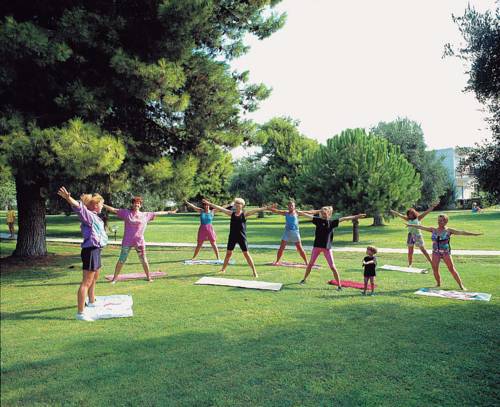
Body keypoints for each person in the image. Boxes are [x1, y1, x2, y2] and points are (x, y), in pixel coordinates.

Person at [57, 186, 108, 321]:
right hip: (90, 251)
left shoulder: (96, 217)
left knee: (95, 277)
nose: (102, 207)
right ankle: (80, 313)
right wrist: (68, 198)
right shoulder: (88, 215)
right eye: (101, 204)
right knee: (86, 282)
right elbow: (79, 207)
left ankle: (91, 301)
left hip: (96, 250)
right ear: (95, 205)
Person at [104, 197, 177, 283]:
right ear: (132, 204)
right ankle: (114, 278)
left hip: (139, 242)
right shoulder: (126, 213)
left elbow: (158, 212)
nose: (136, 204)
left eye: (138, 203)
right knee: (121, 260)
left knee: (144, 260)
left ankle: (149, 277)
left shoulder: (145, 215)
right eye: (135, 203)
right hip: (127, 241)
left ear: (140, 205)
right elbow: (114, 209)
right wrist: (102, 204)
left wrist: (169, 212)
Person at [407, 214, 482, 290]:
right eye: (439, 220)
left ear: (446, 221)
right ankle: (438, 283)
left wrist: (474, 234)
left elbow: (461, 232)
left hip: (446, 252)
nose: (439, 222)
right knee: (435, 268)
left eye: (442, 220)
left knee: (451, 269)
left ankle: (461, 285)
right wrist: (411, 225)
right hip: (436, 252)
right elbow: (421, 227)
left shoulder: (449, 230)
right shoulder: (433, 230)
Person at [299, 206, 366, 288]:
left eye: (325, 213)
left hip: (327, 248)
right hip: (317, 247)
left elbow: (344, 218)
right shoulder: (318, 220)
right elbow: (305, 214)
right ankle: (304, 279)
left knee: (332, 267)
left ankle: (339, 285)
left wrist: (356, 216)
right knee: (310, 264)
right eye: (322, 213)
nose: (323, 215)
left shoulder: (332, 222)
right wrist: (297, 211)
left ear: (329, 214)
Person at [202, 198, 269, 277]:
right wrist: (209, 204)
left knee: (246, 254)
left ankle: (254, 271)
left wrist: (266, 208)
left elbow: (256, 210)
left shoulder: (244, 214)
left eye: (239, 203)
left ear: (242, 205)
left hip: (241, 237)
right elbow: (220, 208)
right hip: (232, 237)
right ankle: (223, 269)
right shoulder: (231, 213)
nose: (237, 205)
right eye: (236, 203)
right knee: (228, 254)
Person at [268, 200, 319, 265]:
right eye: (289, 206)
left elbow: (309, 212)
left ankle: (306, 262)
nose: (291, 207)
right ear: (288, 207)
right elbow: (277, 211)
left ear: (294, 206)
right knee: (281, 248)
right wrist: (268, 208)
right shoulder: (286, 213)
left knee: (300, 249)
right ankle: (277, 261)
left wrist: (319, 211)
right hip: (287, 232)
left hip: (295, 232)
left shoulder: (297, 213)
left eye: (292, 206)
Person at [390, 202, 439, 267]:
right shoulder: (407, 219)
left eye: (411, 214)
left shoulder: (418, 218)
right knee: (410, 251)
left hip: (417, 235)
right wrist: (392, 211)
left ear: (414, 214)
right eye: (409, 214)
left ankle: (432, 263)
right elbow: (400, 215)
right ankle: (410, 264)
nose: (410, 215)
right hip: (410, 235)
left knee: (423, 250)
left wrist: (432, 207)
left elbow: (426, 212)